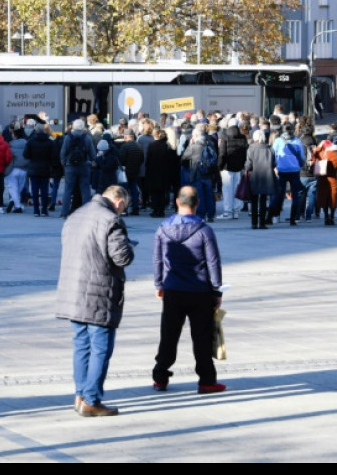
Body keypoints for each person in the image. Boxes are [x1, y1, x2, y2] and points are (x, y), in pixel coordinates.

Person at [55, 185, 135, 417]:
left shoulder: (75, 215)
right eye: (124, 208)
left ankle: (80, 394)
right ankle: (92, 400)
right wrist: (129, 247)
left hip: (73, 291)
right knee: (100, 348)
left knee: (81, 345)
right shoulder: (111, 220)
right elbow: (121, 257)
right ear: (119, 202)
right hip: (99, 292)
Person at [152, 186, 226, 394]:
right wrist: (217, 290)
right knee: (202, 337)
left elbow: (157, 259)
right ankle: (206, 380)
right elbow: (213, 262)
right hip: (200, 291)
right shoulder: (204, 230)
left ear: (177, 202)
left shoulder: (163, 229)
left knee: (168, 335)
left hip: (173, 289)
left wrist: (159, 284)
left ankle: (160, 376)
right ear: (198, 204)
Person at [269, 124, 306, 226]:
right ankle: (293, 219)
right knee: (295, 195)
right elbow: (302, 156)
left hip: (281, 170)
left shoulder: (278, 141)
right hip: (294, 170)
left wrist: (275, 166)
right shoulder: (297, 141)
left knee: (278, 194)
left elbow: (273, 155)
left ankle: (273, 215)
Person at [181, 123, 218, 223]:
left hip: (197, 172)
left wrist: (189, 145)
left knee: (200, 195)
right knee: (209, 194)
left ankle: (201, 215)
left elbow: (183, 158)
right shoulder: (210, 143)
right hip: (208, 172)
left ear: (196, 136)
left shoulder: (193, 147)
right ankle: (211, 214)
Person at [60, 119, 96, 218]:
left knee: (68, 190)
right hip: (84, 166)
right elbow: (92, 154)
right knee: (85, 190)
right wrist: (92, 162)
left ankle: (64, 212)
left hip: (70, 167)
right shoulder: (87, 138)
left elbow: (63, 152)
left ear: (73, 127)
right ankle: (87, 212)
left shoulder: (68, 137)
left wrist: (64, 163)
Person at [244, 130, 277, 230]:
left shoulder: (251, 149)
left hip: (255, 176)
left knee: (254, 201)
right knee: (263, 201)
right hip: (267, 177)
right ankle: (262, 223)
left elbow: (248, 165)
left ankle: (254, 223)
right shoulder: (270, 149)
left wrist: (246, 168)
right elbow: (274, 164)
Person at [218, 117, 249, 220]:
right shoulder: (243, 137)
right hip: (238, 166)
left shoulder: (225, 136)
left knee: (227, 189)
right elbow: (245, 153)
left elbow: (222, 153)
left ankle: (228, 211)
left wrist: (220, 166)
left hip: (227, 166)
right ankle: (236, 211)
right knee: (237, 189)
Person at [24, 123, 56, 217]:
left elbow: (26, 154)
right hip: (45, 168)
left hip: (34, 168)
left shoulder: (31, 141)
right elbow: (53, 155)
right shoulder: (49, 142)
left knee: (34, 191)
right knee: (44, 191)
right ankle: (44, 210)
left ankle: (36, 211)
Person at [145, 130, 174, 218]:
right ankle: (161, 210)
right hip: (164, 172)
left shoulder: (152, 145)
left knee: (154, 192)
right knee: (162, 192)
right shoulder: (167, 146)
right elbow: (170, 161)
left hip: (153, 171)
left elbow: (148, 160)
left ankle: (155, 210)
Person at [313, 133, 337, 226]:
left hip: (322, 177)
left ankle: (325, 216)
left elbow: (313, 161)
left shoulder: (319, 151)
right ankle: (332, 216)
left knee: (323, 196)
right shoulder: (336, 152)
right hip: (333, 177)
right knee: (333, 196)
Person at [118, 131, 145, 216]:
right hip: (135, 171)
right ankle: (135, 208)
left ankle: (124, 209)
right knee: (134, 190)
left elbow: (121, 159)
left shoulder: (125, 146)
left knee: (124, 191)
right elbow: (142, 159)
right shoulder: (139, 146)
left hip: (126, 171)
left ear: (125, 137)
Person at [4, 128, 29, 214]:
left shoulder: (10, 145)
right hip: (24, 169)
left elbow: (7, 157)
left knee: (12, 187)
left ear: (15, 135)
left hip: (12, 169)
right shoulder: (26, 144)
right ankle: (13, 200)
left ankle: (17, 206)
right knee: (19, 188)